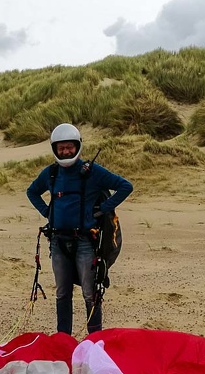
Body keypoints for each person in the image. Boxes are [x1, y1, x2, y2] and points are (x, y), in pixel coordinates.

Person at [27, 123, 133, 335]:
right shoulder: (51, 174)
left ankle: (94, 340)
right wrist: (48, 213)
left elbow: (125, 186)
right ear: (54, 149)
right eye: (61, 148)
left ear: (77, 147)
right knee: (62, 293)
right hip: (58, 242)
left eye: (69, 147)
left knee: (89, 293)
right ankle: (63, 339)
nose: (65, 151)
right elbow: (32, 192)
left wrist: (103, 209)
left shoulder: (92, 172)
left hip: (85, 242)